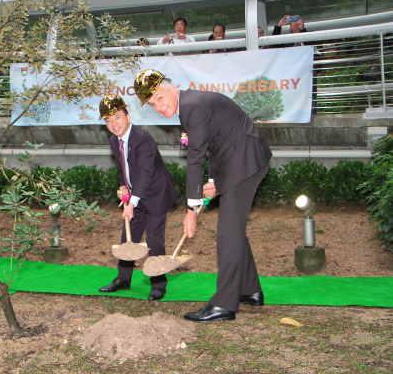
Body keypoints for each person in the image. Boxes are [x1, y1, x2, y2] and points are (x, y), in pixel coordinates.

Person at [134, 70, 272, 322]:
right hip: (236, 159)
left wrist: (191, 209)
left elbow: (195, 157)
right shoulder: (188, 105)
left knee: (227, 233)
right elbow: (214, 142)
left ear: (171, 88)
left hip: (246, 161)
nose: (158, 107)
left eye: (159, 99)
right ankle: (250, 290)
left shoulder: (192, 106)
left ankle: (224, 304)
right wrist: (212, 180)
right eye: (152, 104)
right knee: (233, 229)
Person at [98, 94, 178, 302]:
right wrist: (124, 186)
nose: (113, 123)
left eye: (117, 117)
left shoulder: (143, 139)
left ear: (127, 114)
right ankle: (124, 279)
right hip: (136, 194)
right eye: (108, 120)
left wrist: (132, 203)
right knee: (128, 238)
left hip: (157, 194)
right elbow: (123, 167)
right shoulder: (114, 141)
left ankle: (158, 285)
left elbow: (144, 173)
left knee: (153, 241)